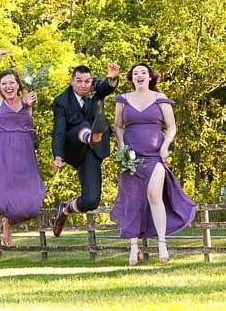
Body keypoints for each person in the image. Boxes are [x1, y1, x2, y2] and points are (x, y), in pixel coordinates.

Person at [110, 63, 196, 265]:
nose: (140, 75)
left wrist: (165, 146)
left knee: (154, 195)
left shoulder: (160, 98)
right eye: (136, 73)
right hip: (130, 157)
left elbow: (172, 126)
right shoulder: (123, 99)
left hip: (155, 155)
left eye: (144, 73)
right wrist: (122, 146)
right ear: (131, 78)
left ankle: (162, 245)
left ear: (150, 77)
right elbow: (118, 125)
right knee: (132, 200)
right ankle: (133, 248)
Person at [0, 49, 45, 246]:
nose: (8, 86)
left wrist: (29, 102)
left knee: (33, 203)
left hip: (24, 152)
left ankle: (9, 221)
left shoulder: (27, 102)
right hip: (3, 149)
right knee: (0, 194)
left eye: (12, 82)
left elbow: (30, 122)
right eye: (4, 83)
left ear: (18, 85)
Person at [50, 63, 120, 237]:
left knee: (91, 201)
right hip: (73, 145)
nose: (83, 85)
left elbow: (106, 88)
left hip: (91, 152)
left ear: (91, 81)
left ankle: (64, 210)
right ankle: (89, 135)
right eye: (79, 81)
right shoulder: (61, 101)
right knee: (83, 125)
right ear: (71, 81)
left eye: (87, 81)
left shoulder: (95, 89)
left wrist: (111, 78)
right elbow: (59, 130)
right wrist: (58, 156)